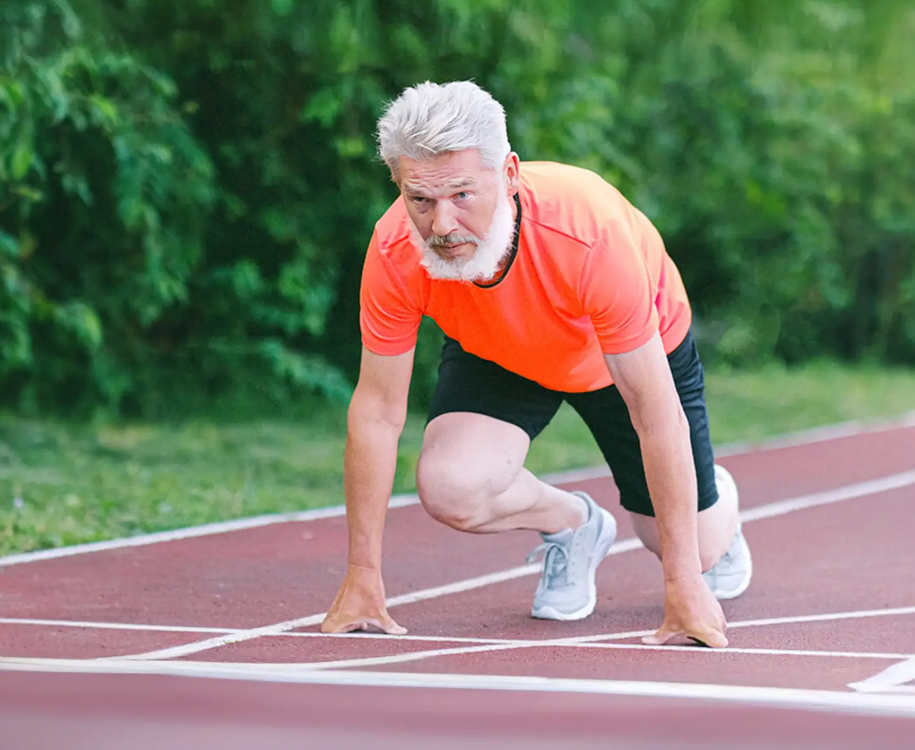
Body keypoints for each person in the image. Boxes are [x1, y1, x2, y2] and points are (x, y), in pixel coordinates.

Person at [319, 80, 752, 649]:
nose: (441, 225)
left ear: (510, 175)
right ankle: (572, 523)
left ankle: (711, 497)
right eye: (419, 200)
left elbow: (653, 412)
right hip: (500, 347)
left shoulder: (589, 233)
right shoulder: (396, 248)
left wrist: (684, 582)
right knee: (450, 487)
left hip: (618, 351)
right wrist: (363, 577)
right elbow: (377, 412)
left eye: (462, 195)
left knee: (688, 547)